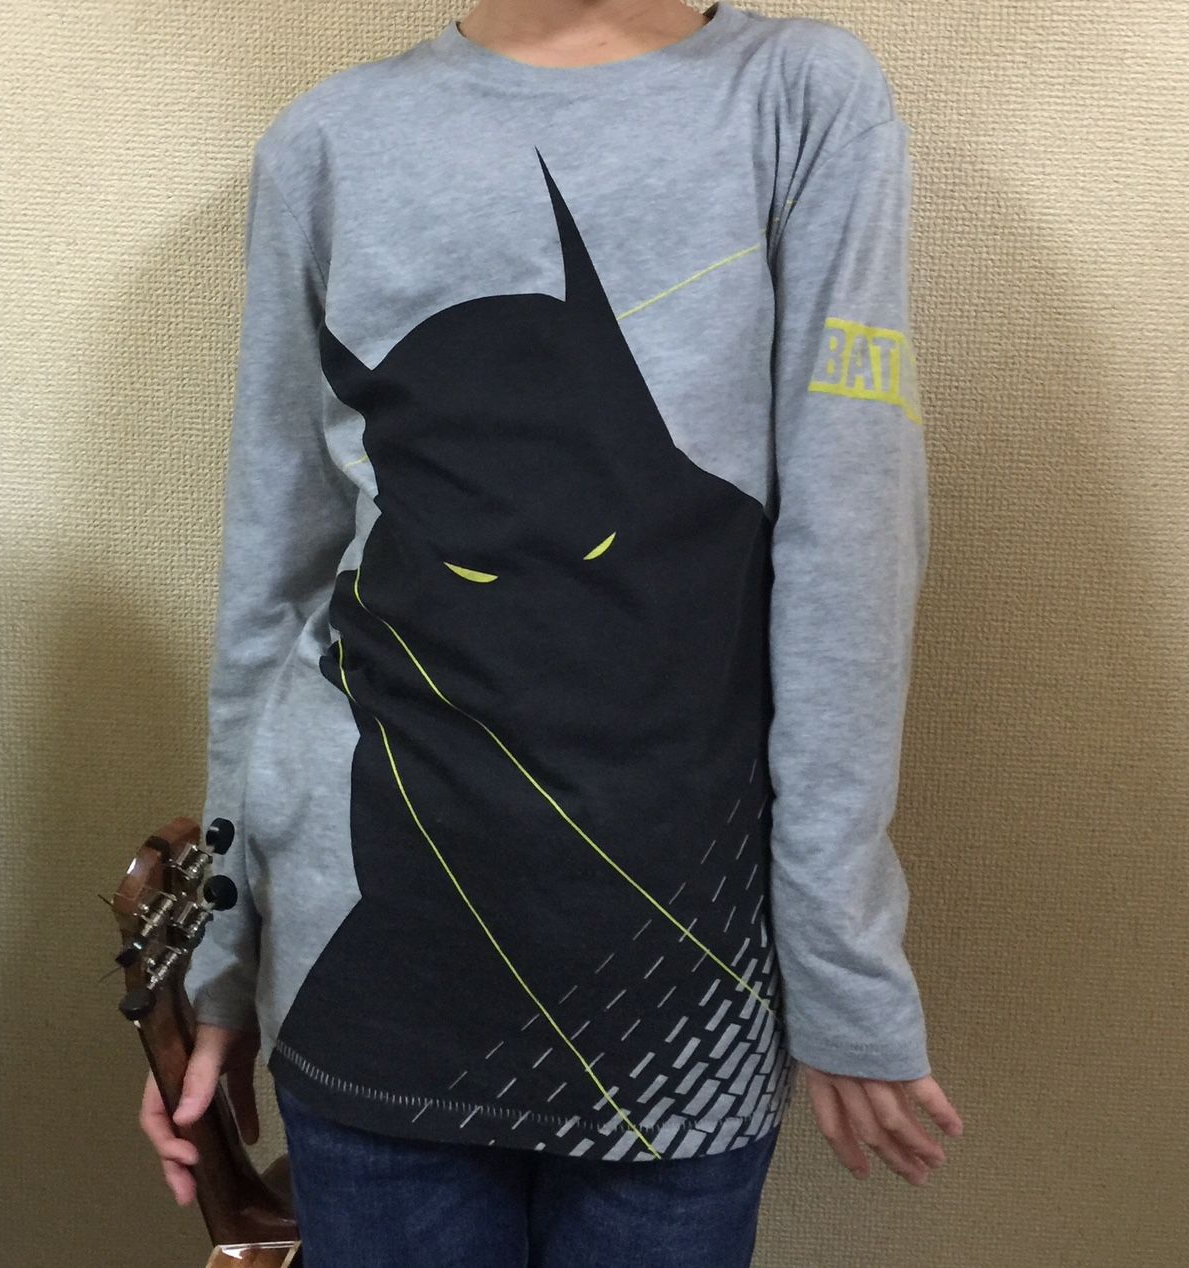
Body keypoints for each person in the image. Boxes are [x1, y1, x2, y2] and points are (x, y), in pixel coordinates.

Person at [140, 1, 964, 1263]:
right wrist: (223, 949)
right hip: (368, 956)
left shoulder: (796, 97)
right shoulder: (327, 140)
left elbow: (848, 544)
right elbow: (275, 570)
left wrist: (839, 959)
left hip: (684, 978)